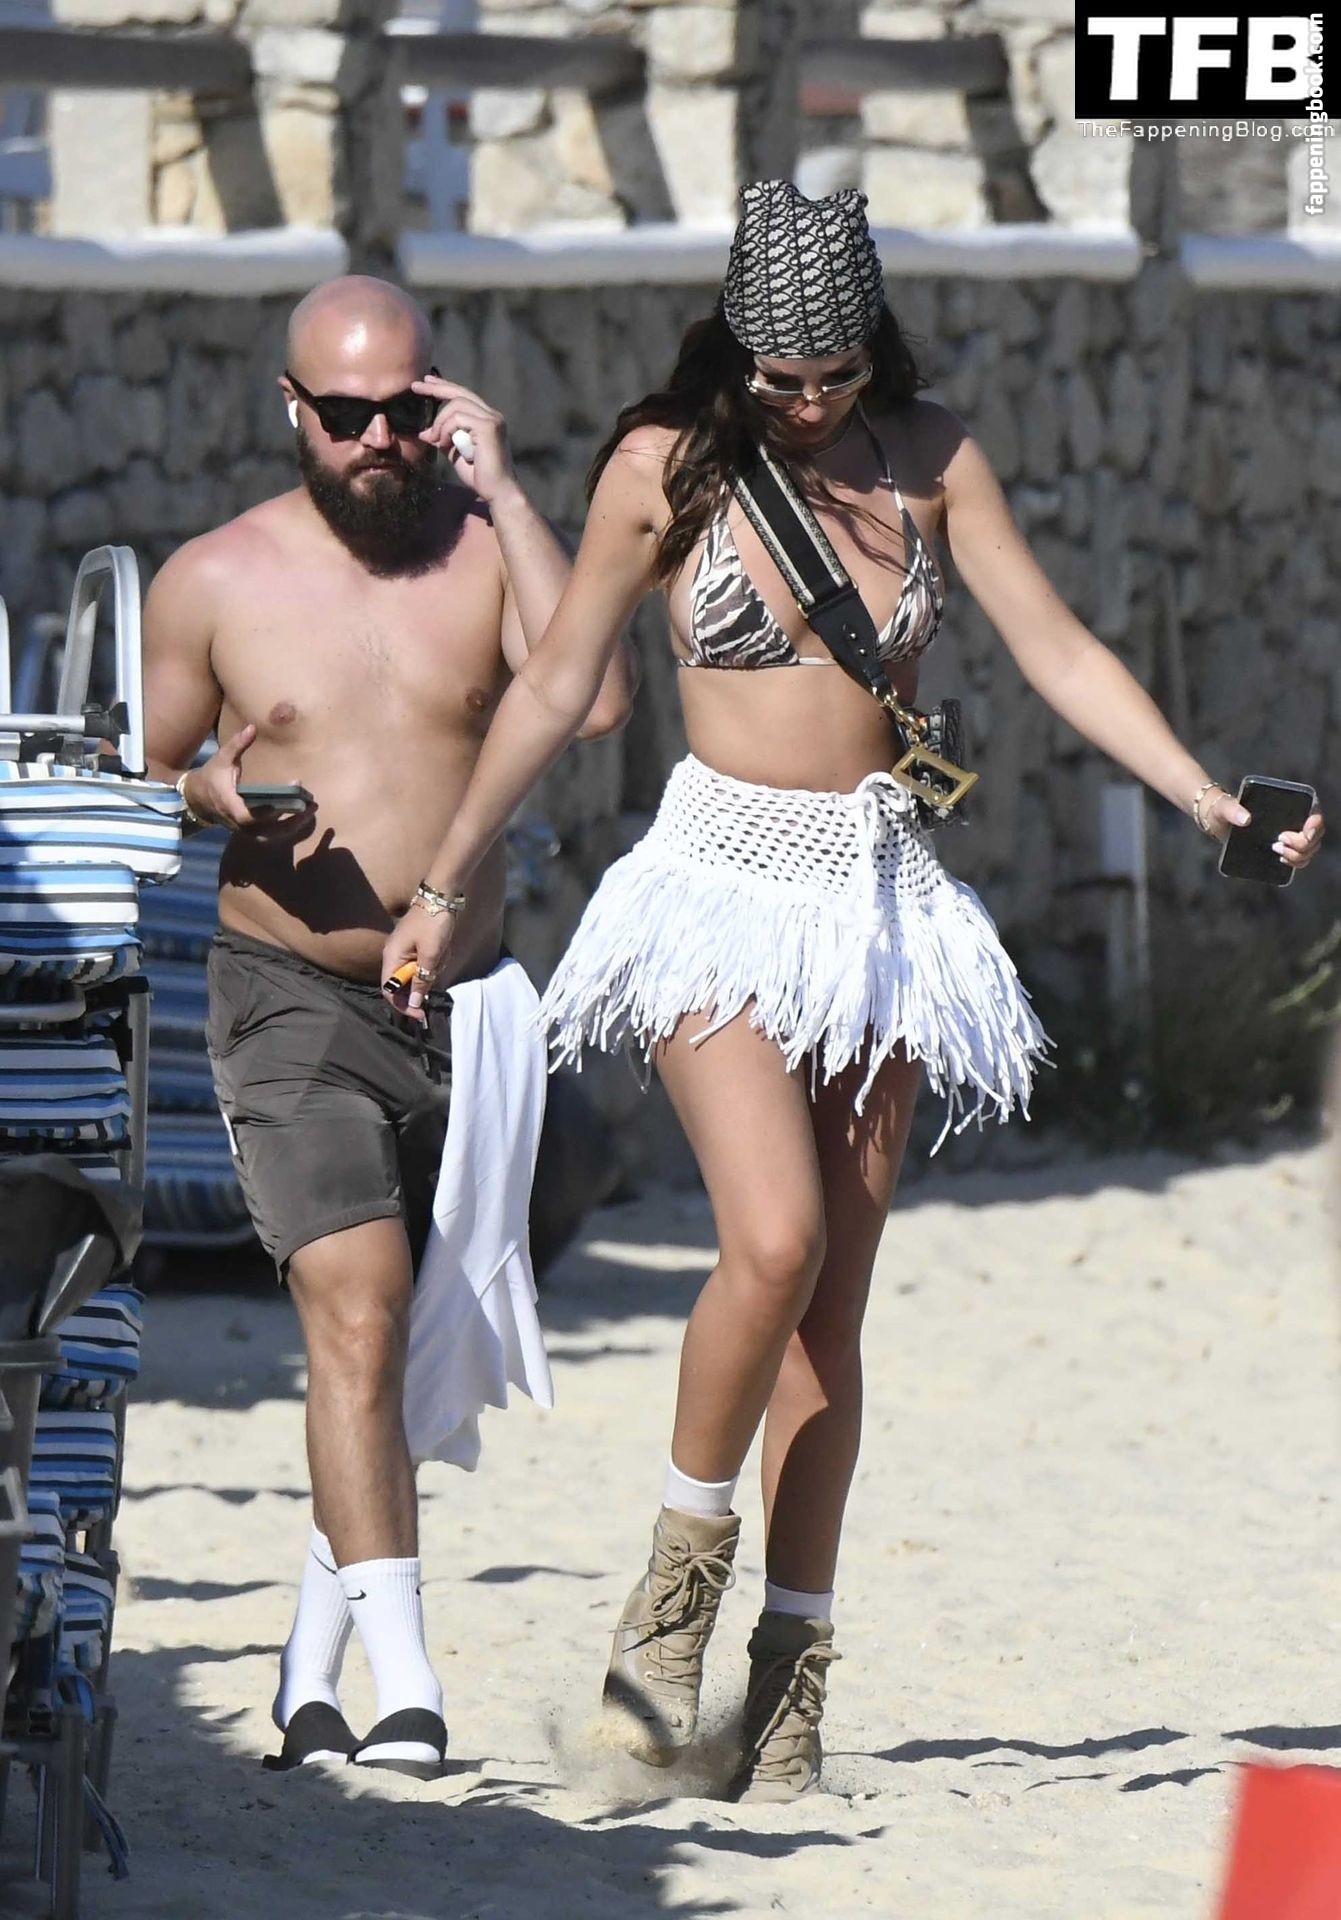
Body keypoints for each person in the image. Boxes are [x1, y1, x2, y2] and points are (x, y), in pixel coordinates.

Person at [380, 183, 1325, 1801]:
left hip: (877, 902)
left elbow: (1055, 648)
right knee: (770, 1240)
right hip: (714, 887)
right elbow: (555, 683)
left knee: (829, 1308)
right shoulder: (663, 467)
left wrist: (1204, 803)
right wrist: (445, 884)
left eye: (831, 373)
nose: (805, 400)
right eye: (778, 374)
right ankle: (666, 1618)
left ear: (870, 349)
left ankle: (789, 1678)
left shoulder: (930, 458)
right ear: (732, 347)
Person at [142, 274, 635, 1776]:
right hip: (287, 996)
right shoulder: (213, 580)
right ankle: (408, 1690)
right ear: (291, 409)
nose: (376, 439)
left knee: (402, 1350)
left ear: (442, 402)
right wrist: (206, 792)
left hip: (466, 1004)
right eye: (345, 412)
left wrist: (511, 490)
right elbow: (143, 777)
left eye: (404, 410)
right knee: (355, 1309)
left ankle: (310, 1665)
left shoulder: (486, 553)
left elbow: (596, 701)